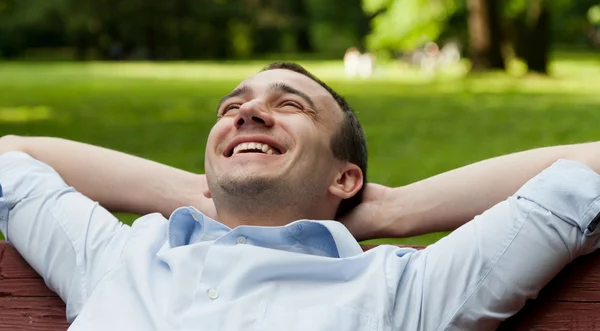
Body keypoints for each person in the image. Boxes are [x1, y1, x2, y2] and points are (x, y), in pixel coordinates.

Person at [1, 61, 600, 330]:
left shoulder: (403, 294)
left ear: (344, 178)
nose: (248, 112)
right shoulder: (121, 258)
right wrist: (201, 193)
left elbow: (589, 173)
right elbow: (10, 157)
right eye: (232, 108)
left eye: (289, 105)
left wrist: (397, 210)